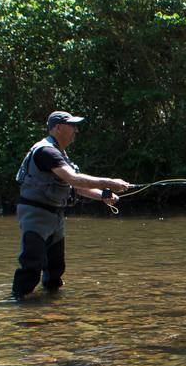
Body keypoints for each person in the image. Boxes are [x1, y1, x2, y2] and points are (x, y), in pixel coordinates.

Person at [11, 111, 133, 300]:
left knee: (56, 267)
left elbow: (74, 186)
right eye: (72, 125)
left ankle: (52, 303)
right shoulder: (46, 151)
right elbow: (74, 178)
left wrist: (104, 195)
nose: (76, 130)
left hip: (54, 216)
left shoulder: (60, 153)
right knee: (32, 264)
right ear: (57, 127)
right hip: (35, 214)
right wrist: (110, 182)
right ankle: (18, 303)